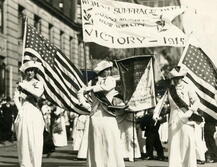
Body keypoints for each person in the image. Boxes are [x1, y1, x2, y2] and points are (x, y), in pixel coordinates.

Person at [78, 60, 125, 167]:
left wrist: (90, 89)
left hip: (108, 115)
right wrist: (86, 105)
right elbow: (80, 92)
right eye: (106, 70)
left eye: (109, 69)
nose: (109, 72)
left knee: (110, 141)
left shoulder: (110, 80)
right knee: (97, 142)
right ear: (101, 71)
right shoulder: (92, 82)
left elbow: (106, 88)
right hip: (95, 116)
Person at [160, 67, 202, 167]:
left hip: (186, 119)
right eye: (174, 78)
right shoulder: (170, 90)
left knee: (188, 143)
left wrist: (191, 110)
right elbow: (161, 103)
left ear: (182, 77)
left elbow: (196, 101)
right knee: (175, 144)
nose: (176, 80)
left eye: (178, 77)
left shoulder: (188, 87)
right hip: (174, 120)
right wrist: (156, 114)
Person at [14, 60, 45, 167]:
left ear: (35, 72)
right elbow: (16, 98)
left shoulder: (38, 83)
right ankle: (24, 164)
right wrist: (20, 110)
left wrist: (25, 86)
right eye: (27, 70)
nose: (29, 73)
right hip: (23, 113)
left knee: (35, 142)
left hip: (34, 113)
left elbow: (37, 94)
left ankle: (36, 164)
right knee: (23, 141)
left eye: (32, 70)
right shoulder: (21, 83)